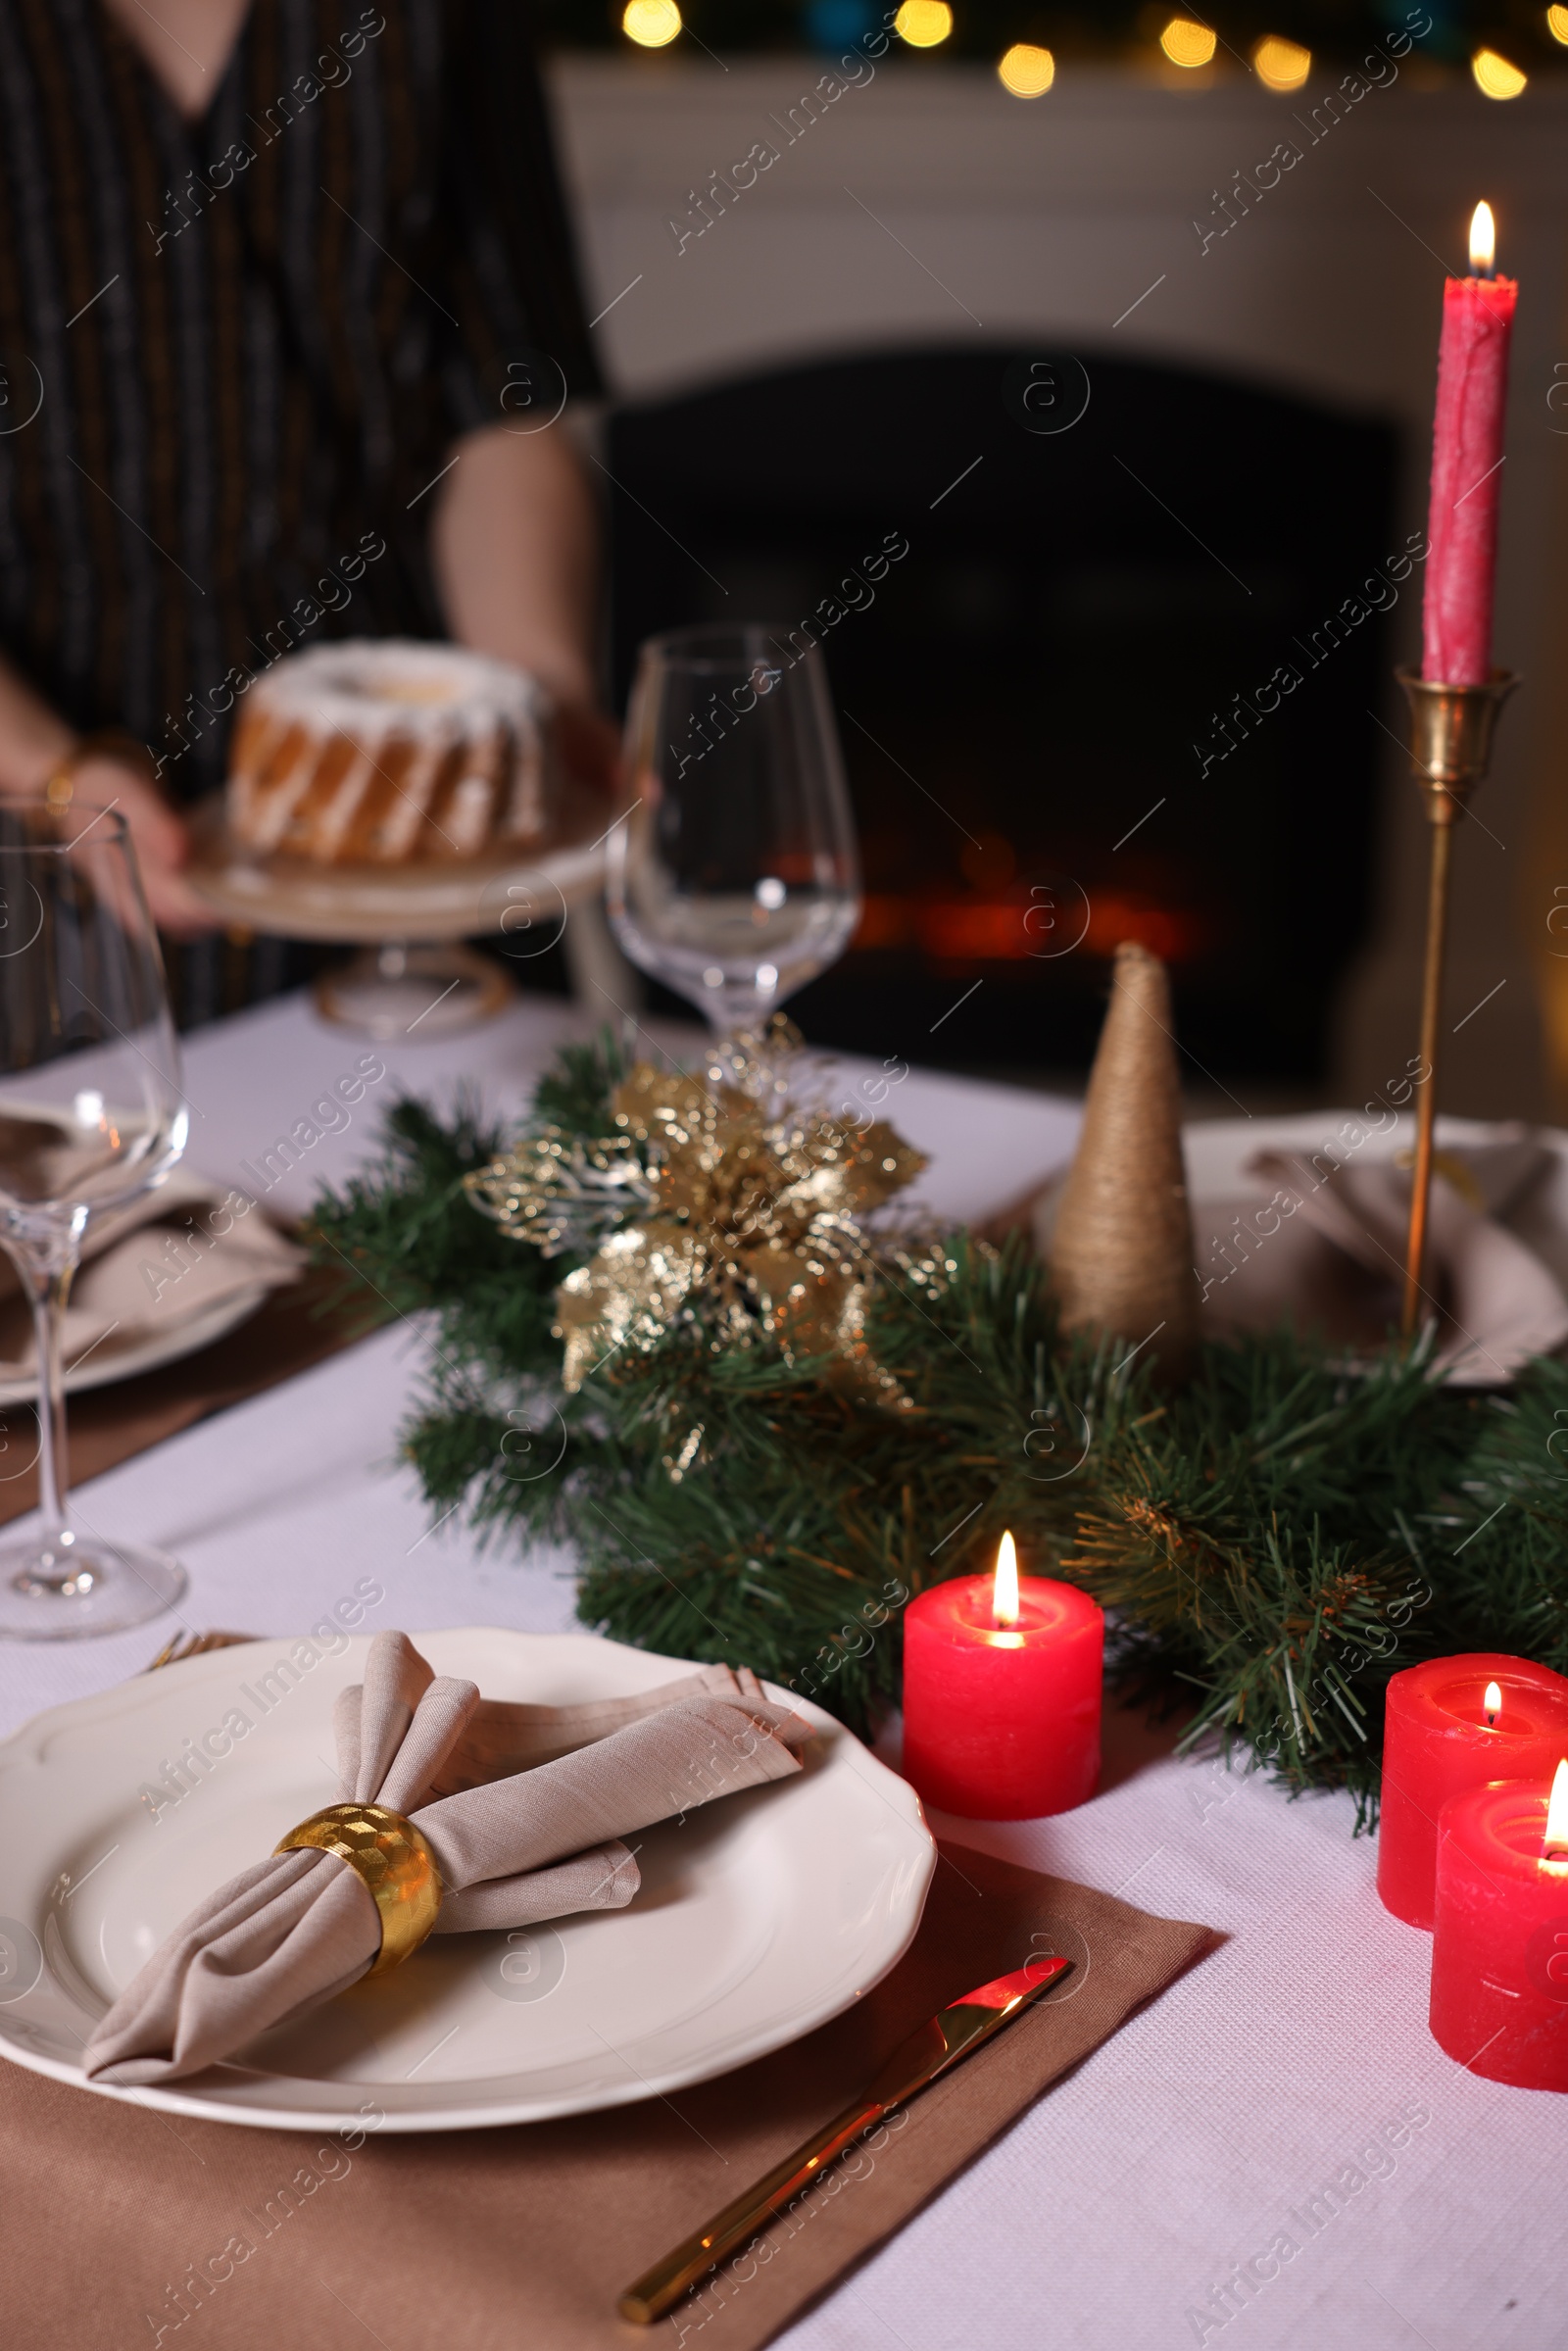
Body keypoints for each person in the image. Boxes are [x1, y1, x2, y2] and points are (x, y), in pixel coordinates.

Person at [0, 0, 610, 945]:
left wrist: (530, 698)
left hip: (402, 846)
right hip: (35, 881)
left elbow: (502, 406)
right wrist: (49, 771)